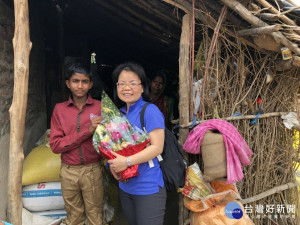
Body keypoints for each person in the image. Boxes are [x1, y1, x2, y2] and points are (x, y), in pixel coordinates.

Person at [107, 62, 166, 225]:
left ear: (142, 87)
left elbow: (157, 147)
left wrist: (126, 162)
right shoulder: (118, 114)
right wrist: (112, 166)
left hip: (148, 187)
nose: (127, 88)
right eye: (122, 83)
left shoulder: (150, 111)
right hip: (125, 188)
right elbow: (112, 147)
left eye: (133, 83)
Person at [49, 63, 104, 225]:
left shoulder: (100, 107)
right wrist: (87, 131)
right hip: (68, 171)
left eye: (85, 81)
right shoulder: (59, 109)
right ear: (68, 83)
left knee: (95, 215)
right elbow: (56, 146)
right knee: (74, 216)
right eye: (75, 81)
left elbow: (111, 140)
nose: (80, 86)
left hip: (93, 170)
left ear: (91, 84)